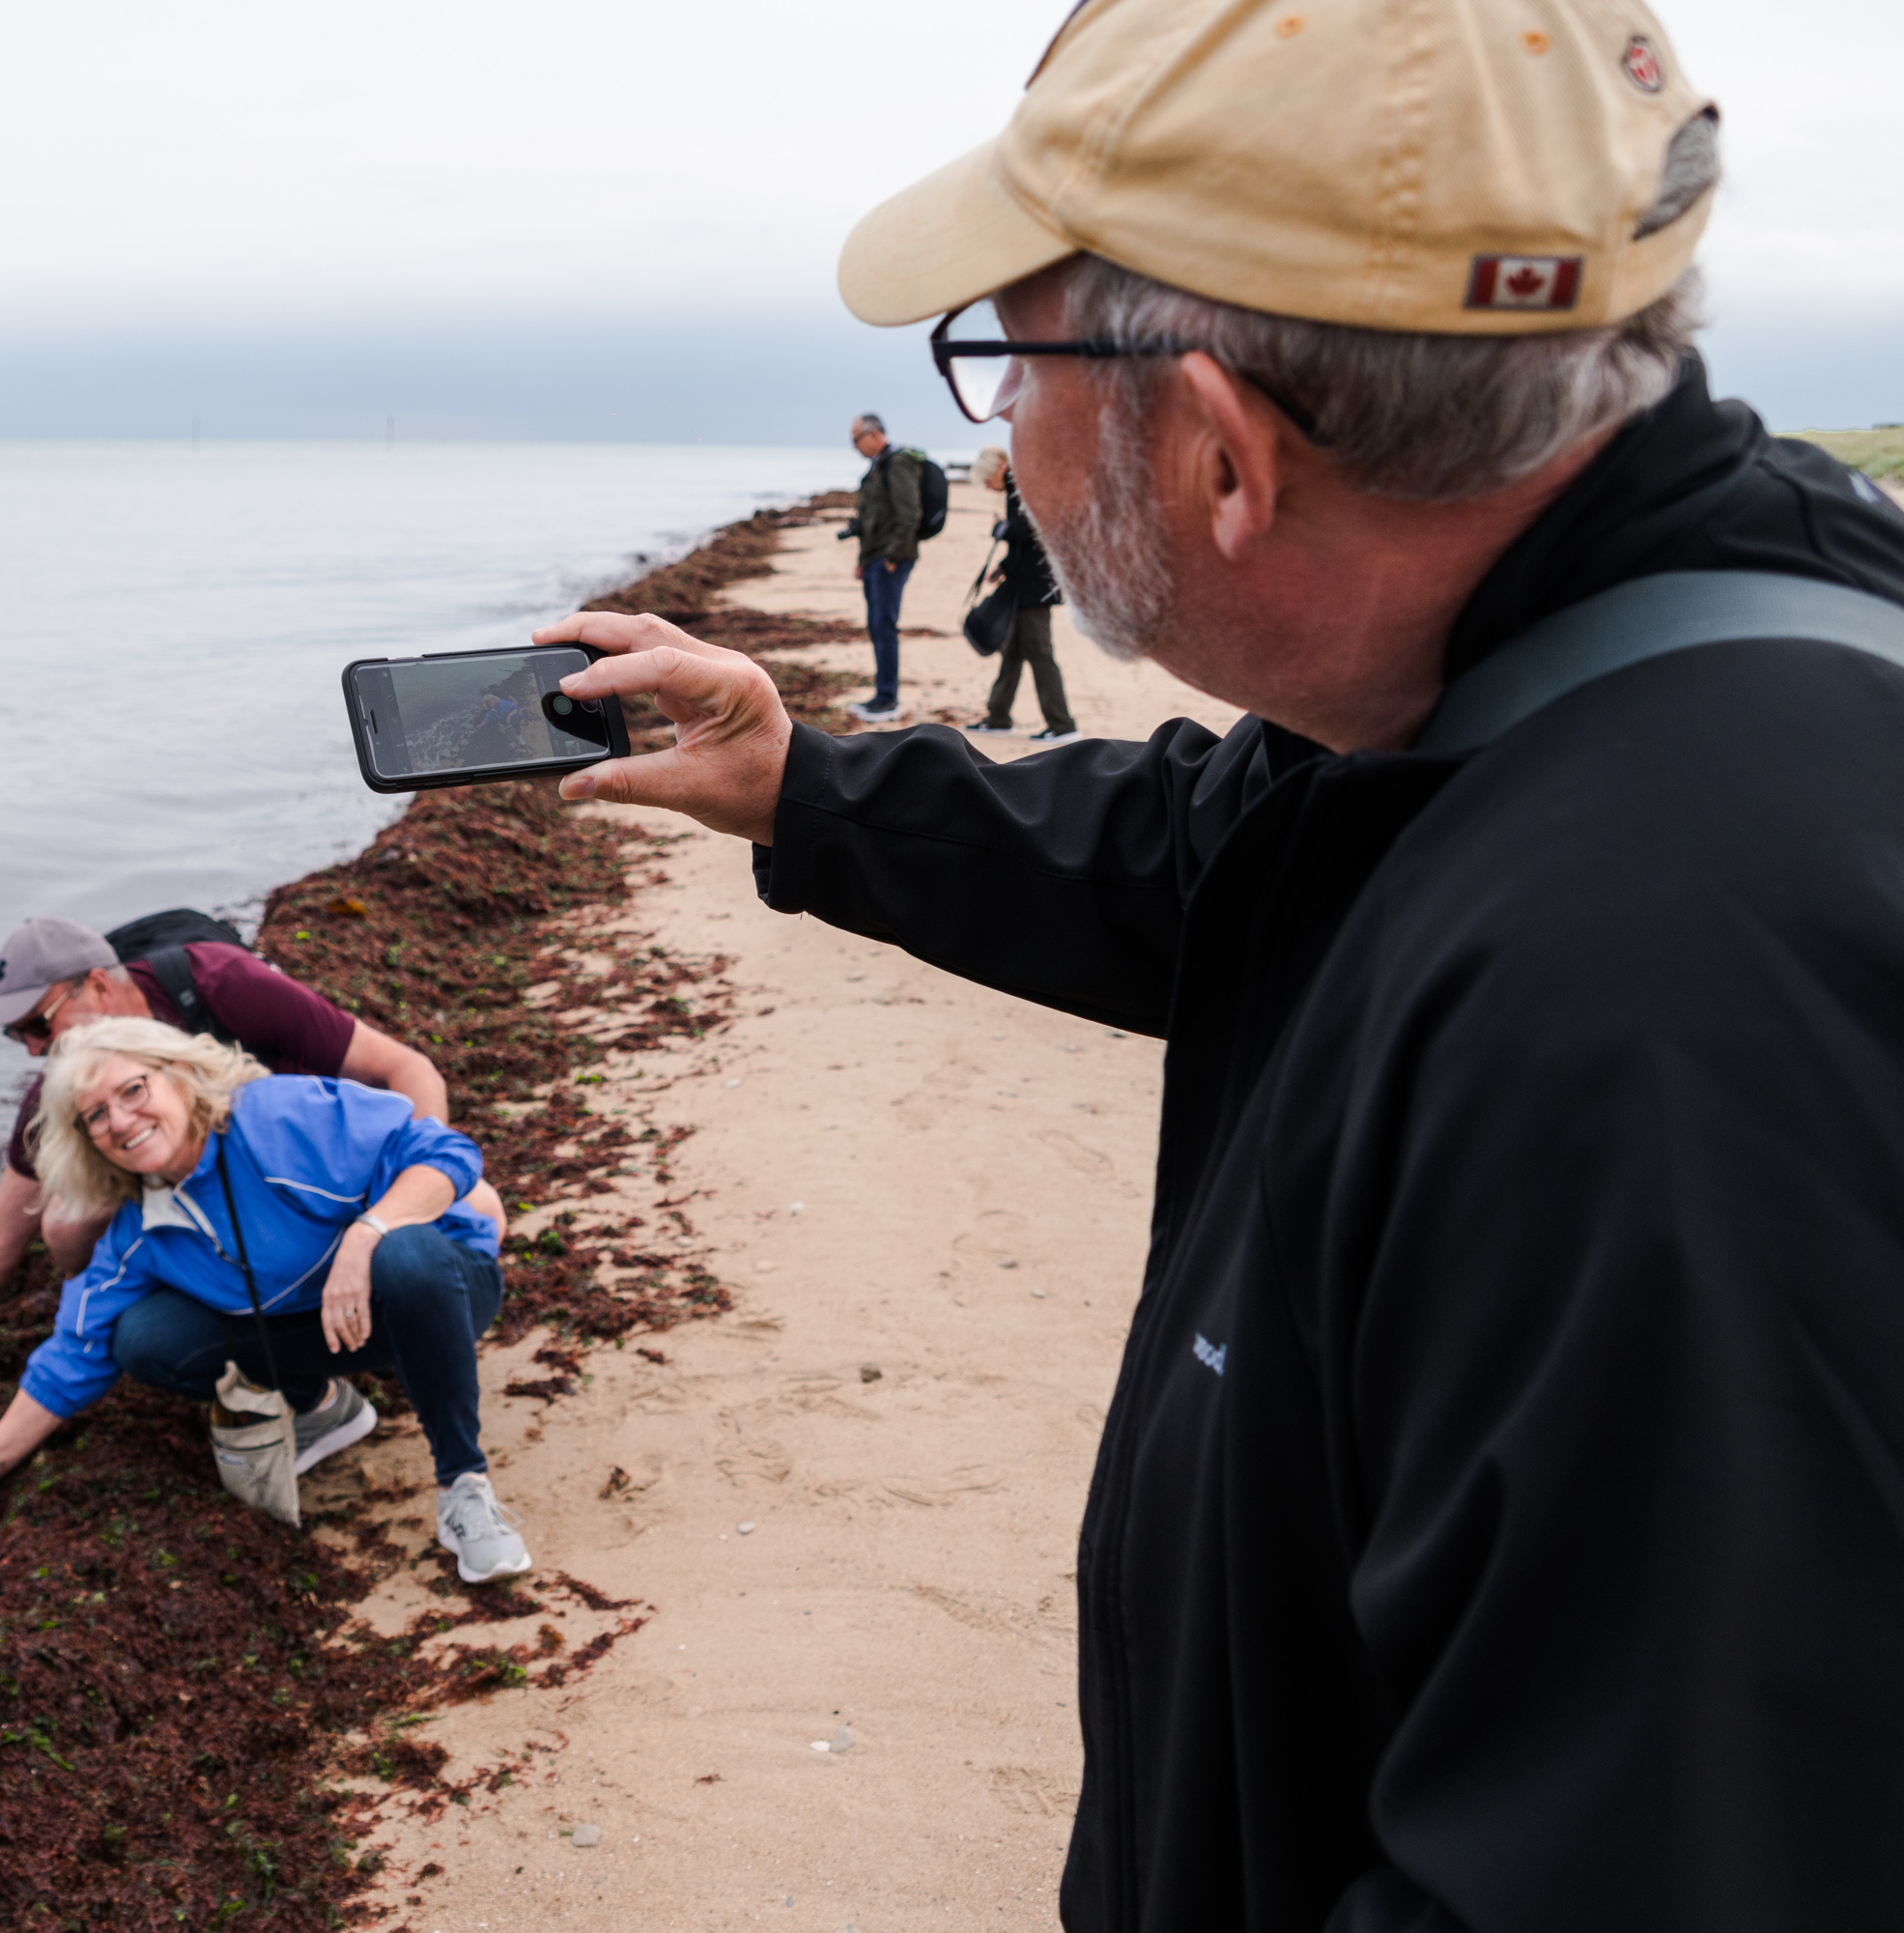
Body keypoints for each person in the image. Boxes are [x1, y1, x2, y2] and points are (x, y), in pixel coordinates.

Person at [531, 0, 1904, 1923]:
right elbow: (1237, 851)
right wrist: (804, 789)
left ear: (1225, 457)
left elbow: (1657, 1852)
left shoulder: (1653, 1014)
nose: (1002, 434)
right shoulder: (1558, 658)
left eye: (1006, 358)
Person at [0, 1017, 532, 1583]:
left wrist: (367, 1233)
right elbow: (74, 1352)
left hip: (439, 1292)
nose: (120, 1121)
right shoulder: (139, 1225)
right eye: (95, 1115)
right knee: (144, 1337)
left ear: (181, 1077)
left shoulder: (277, 1119)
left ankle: (463, 1487)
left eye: (133, 1090)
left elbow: (445, 1150)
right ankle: (322, 1407)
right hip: (328, 1328)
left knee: (405, 1254)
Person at [0, 917, 498, 1443]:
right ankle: (307, 1391)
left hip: (330, 1190)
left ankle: (404, 1318)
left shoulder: (218, 985)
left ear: (98, 985)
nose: (33, 1048)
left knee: (470, 1210)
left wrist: (415, 1198)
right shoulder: (61, 1096)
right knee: (83, 1251)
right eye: (17, 1037)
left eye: (37, 1023)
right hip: (231, 1253)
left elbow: (408, 1069)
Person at [968, 445, 1076, 742]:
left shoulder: (1024, 487)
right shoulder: (1020, 486)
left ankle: (1063, 725)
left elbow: (1027, 531)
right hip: (1024, 583)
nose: (988, 487)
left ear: (999, 467)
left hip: (1034, 588)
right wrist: (1003, 566)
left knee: (1040, 653)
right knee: (1012, 651)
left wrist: (1000, 529)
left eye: (988, 480)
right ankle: (998, 717)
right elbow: (1027, 543)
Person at [844, 413, 922, 723]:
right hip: (874, 559)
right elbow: (872, 519)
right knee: (877, 627)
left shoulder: (897, 463)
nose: (854, 446)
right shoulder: (879, 465)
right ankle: (882, 696)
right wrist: (863, 560)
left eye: (856, 439)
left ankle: (888, 700)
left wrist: (891, 555)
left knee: (884, 626)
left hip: (890, 561)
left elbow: (910, 513)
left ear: (875, 434)